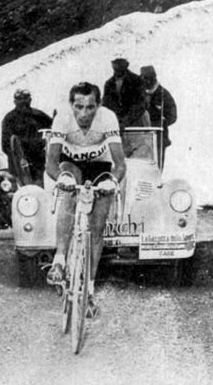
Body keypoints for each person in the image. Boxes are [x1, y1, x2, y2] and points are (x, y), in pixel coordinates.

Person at [45, 82, 127, 318]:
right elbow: (51, 163)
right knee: (70, 183)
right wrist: (61, 178)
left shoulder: (108, 118)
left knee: (96, 227)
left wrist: (112, 181)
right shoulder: (62, 119)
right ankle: (59, 261)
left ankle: (89, 291)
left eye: (90, 107)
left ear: (98, 106)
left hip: (100, 166)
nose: (84, 114)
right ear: (71, 105)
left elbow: (120, 164)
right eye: (78, 107)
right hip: (71, 164)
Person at [1, 89, 53, 185]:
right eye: (20, 99)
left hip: (38, 162)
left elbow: (54, 126)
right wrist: (18, 157)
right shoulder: (9, 119)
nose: (23, 102)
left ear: (30, 99)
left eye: (25, 98)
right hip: (20, 166)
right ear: (15, 101)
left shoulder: (38, 115)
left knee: (41, 187)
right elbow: (6, 145)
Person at [140, 65, 177, 168]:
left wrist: (160, 121)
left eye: (147, 78)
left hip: (158, 138)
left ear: (154, 77)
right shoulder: (139, 94)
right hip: (140, 137)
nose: (145, 81)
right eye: (142, 78)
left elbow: (173, 115)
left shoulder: (164, 94)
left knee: (156, 167)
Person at [102, 58, 146, 132]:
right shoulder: (109, 83)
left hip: (135, 124)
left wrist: (125, 122)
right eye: (115, 63)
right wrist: (115, 121)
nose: (117, 66)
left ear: (126, 65)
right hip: (115, 124)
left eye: (120, 63)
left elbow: (140, 104)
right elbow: (107, 104)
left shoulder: (137, 81)